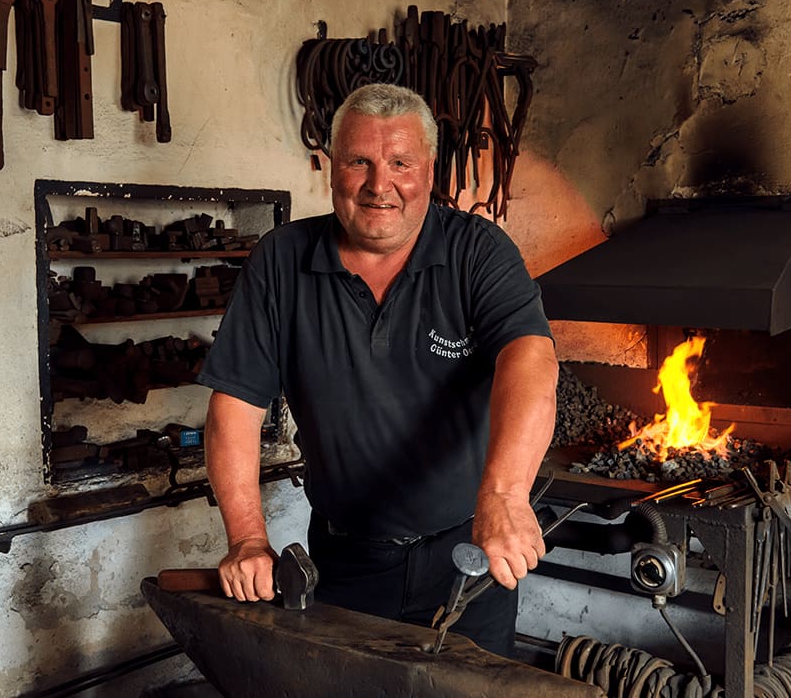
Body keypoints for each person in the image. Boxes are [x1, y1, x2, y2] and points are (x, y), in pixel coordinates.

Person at [196, 82, 559, 657]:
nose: (378, 184)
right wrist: (246, 539)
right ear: (330, 168)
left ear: (430, 171)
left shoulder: (478, 251)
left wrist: (507, 496)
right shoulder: (281, 260)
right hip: (345, 561)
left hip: (465, 557)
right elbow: (234, 408)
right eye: (358, 161)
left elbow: (532, 360)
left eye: (400, 163)